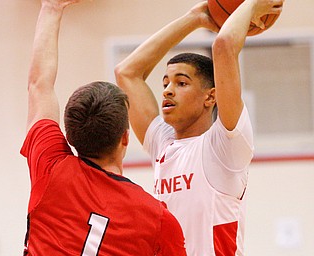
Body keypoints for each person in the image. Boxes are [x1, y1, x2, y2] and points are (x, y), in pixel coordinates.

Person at [115, 0, 284, 255]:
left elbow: (224, 45)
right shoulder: (163, 142)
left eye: (181, 83)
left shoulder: (225, 145)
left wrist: (250, 4)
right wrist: (195, 17)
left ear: (210, 97)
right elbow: (126, 72)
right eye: (165, 83)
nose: (168, 90)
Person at [21, 0, 187, 255]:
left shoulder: (51, 167)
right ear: (125, 138)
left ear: (69, 135)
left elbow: (39, 85)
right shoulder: (159, 220)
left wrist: (51, 7)